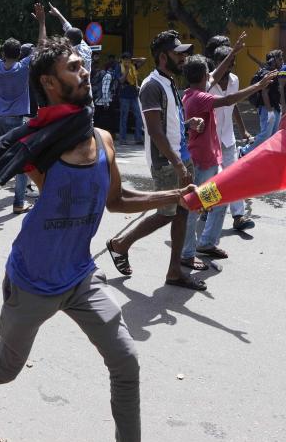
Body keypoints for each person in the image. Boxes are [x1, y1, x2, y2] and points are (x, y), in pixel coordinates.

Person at [0, 36, 191, 442]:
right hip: (32, 281)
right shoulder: (34, 144)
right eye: (73, 67)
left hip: (82, 277)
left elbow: (116, 202)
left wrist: (170, 198)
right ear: (49, 82)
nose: (84, 72)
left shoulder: (101, 138)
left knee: (126, 361)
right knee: (5, 369)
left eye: (82, 65)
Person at [105, 30, 214, 290]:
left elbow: (168, 125)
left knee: (182, 213)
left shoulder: (169, 83)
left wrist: (188, 124)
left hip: (180, 155)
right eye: (178, 53)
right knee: (166, 213)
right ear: (163, 56)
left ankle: (174, 271)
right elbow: (154, 130)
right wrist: (176, 163)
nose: (184, 58)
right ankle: (120, 244)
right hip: (166, 162)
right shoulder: (151, 86)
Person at [179, 50, 275, 265]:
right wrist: (259, 87)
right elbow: (230, 99)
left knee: (220, 198)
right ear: (203, 77)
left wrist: (232, 52)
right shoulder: (200, 97)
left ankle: (207, 243)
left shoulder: (191, 92)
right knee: (194, 207)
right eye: (208, 75)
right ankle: (187, 253)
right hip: (202, 163)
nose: (211, 77)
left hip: (210, 160)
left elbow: (214, 74)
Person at [0, 5, 47, 212]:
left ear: (4, 53)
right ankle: (18, 202)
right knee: (21, 160)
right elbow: (42, 46)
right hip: (16, 119)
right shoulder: (23, 67)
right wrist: (42, 22)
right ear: (19, 53)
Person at [205, 40, 262, 231]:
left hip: (228, 137)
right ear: (217, 63)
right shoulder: (207, 82)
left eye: (232, 61)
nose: (230, 65)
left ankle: (238, 216)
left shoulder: (235, 80)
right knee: (212, 179)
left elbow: (233, 103)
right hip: (208, 139)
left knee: (233, 176)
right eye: (226, 61)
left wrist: (243, 129)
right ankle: (205, 207)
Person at [48, 2, 92, 78]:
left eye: (65, 38)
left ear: (69, 41)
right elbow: (68, 28)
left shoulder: (74, 56)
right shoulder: (84, 47)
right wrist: (58, 14)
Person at [118, 52, 146, 144]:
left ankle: (138, 138)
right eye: (125, 59)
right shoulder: (119, 67)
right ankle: (122, 139)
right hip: (124, 95)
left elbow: (144, 60)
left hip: (134, 95)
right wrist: (126, 70)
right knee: (124, 118)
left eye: (128, 59)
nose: (127, 61)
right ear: (122, 59)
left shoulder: (133, 66)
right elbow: (121, 80)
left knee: (139, 116)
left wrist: (132, 60)